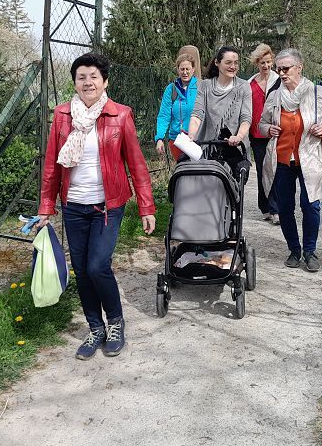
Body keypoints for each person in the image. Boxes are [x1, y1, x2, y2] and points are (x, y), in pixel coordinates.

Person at [36, 52, 156, 360]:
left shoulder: (120, 115)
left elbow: (136, 163)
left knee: (97, 266)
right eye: (81, 77)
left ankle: (115, 322)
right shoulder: (62, 115)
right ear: (75, 83)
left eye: (94, 77)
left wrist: (147, 207)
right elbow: (51, 165)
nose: (87, 82)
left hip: (108, 205)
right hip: (74, 205)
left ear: (105, 82)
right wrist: (46, 206)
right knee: (81, 270)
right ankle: (95, 328)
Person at [258, 48, 322, 273]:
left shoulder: (317, 94)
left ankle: (310, 252)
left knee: (311, 206)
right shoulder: (274, 96)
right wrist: (268, 129)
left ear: (299, 67)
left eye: (286, 69)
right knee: (285, 208)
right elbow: (261, 124)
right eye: (279, 69)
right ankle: (294, 251)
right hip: (282, 160)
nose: (281, 73)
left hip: (310, 159)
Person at [188, 46, 252, 175]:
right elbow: (197, 114)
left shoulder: (244, 86)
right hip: (208, 147)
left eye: (236, 63)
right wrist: (191, 136)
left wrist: (239, 137)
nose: (233, 66)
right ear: (217, 63)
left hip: (234, 149)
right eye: (228, 63)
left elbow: (246, 117)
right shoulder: (205, 86)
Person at [247, 43, 280, 225]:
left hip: (275, 132)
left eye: (268, 62)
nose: (266, 65)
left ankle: (276, 209)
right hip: (256, 134)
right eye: (262, 63)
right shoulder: (250, 83)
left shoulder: (278, 81)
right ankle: (265, 207)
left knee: (274, 170)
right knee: (261, 170)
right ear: (257, 63)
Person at [154, 49, 199, 161]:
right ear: (178, 70)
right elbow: (164, 115)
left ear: (193, 69)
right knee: (182, 170)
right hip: (177, 140)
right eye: (182, 69)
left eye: (188, 69)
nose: (185, 72)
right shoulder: (171, 89)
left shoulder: (201, 87)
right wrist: (159, 138)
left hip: (198, 140)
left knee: (198, 170)